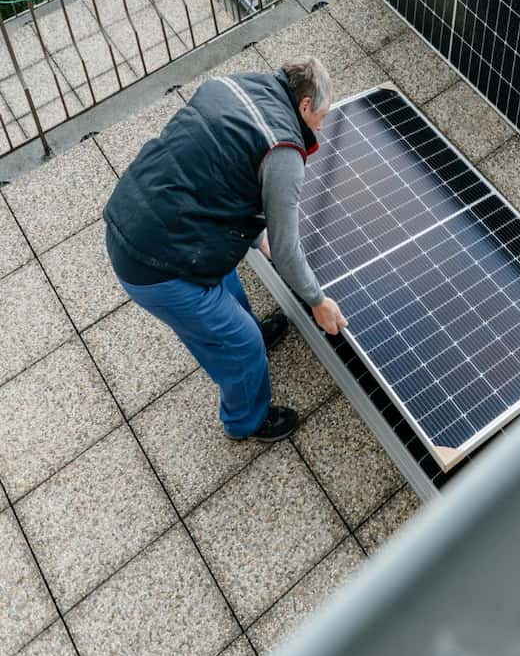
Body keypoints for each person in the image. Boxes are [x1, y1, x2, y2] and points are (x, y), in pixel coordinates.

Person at [103, 56, 348, 443]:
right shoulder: (284, 152)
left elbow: (215, 174)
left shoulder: (233, 86)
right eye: (322, 114)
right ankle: (246, 421)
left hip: (135, 212)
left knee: (225, 278)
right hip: (152, 263)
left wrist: (254, 236)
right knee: (240, 344)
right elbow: (286, 251)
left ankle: (242, 329)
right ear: (303, 105)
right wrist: (318, 301)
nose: (323, 123)